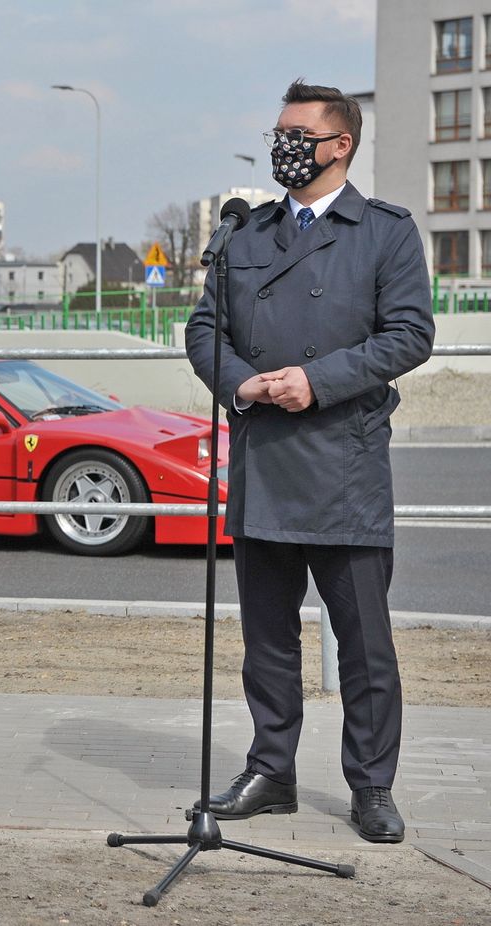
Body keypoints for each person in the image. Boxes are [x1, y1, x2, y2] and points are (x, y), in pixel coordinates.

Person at [184, 80, 434, 843]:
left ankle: (371, 786)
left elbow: (409, 335)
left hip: (344, 466)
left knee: (363, 643)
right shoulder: (244, 233)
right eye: (279, 130)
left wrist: (314, 380)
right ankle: (272, 772)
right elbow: (203, 328)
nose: (282, 143)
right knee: (266, 640)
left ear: (340, 145)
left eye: (298, 132)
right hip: (262, 459)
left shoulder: (385, 232)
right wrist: (239, 381)